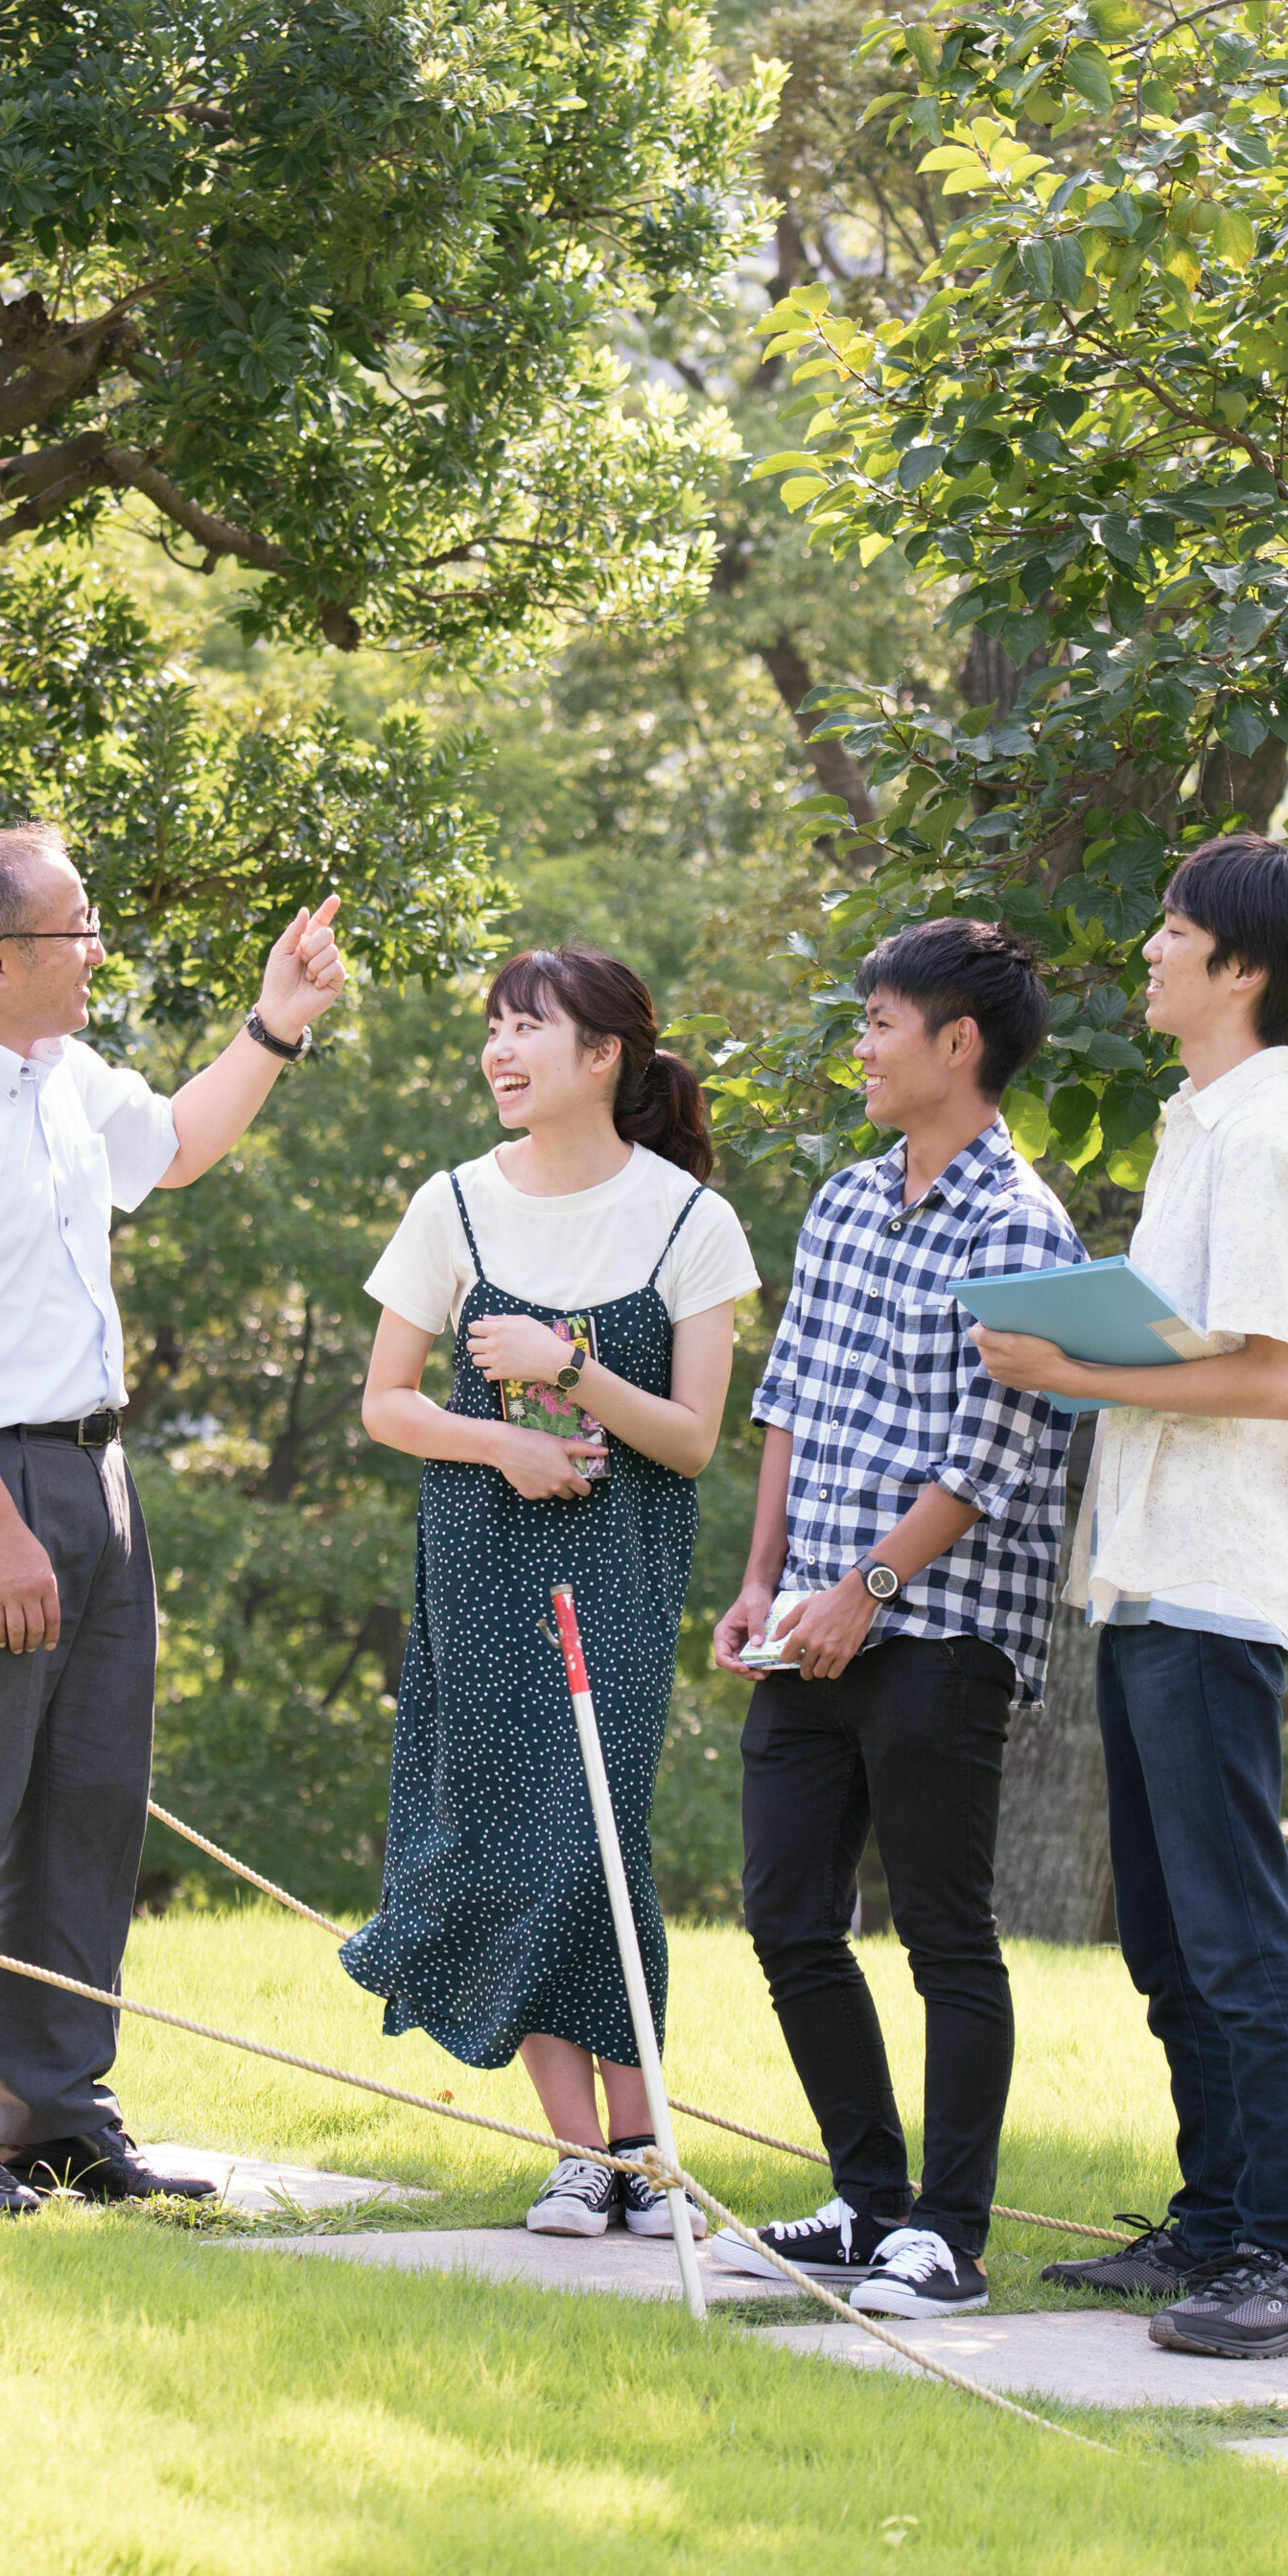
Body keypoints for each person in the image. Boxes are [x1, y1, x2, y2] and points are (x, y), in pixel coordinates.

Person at [0, 824, 347, 2213]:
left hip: (94, 1476)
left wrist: (272, 1028)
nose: (98, 952)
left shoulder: (55, 1073)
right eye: (77, 931)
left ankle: (55, 2114)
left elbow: (170, 1149)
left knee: (89, 1806)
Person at [967, 833, 1288, 2359]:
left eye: (1172, 928)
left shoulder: (1262, 1140)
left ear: (1237, 970)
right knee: (1169, 1941)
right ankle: (1211, 2228)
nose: (1147, 948)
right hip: (1140, 1576)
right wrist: (1089, 1363)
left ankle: (1286, 2263)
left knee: (1233, 1932)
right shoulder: (1200, 1127)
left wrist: (1067, 1365)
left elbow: (1270, 1376)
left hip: (1213, 1584)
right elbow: (1198, 1350)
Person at [346, 948, 758, 2236]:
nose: (499, 1050)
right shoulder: (452, 1205)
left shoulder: (691, 1221)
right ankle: (581, 2156)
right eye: (492, 1026)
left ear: (603, 1056)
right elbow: (386, 1404)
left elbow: (693, 1439)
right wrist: (507, 1443)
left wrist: (563, 1372)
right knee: (505, 1842)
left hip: (621, 1578)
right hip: (479, 1571)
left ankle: (644, 2150)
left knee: (594, 1844)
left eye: (528, 1027)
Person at [709, 921, 1084, 2320]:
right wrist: (763, 1580)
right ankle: (866, 2201)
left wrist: (866, 1593)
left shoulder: (1022, 1225)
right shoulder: (842, 1203)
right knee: (787, 1913)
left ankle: (949, 2237)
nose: (859, 1046)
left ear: (957, 1044)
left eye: (880, 1022)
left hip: (936, 1631)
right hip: (805, 1622)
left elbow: (990, 1457)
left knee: (942, 1932)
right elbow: (790, 1401)